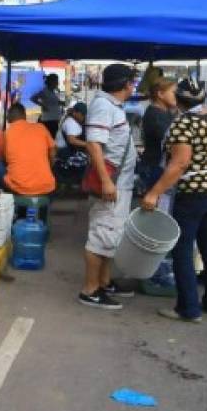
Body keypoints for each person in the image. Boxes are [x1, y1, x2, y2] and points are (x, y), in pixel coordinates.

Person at [141, 79, 207, 322]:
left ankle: (188, 309)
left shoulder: (183, 123)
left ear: (180, 101)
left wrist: (154, 192)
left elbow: (180, 163)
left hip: (192, 195)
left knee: (183, 250)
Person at [79, 64, 138, 310]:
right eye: (133, 82)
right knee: (101, 234)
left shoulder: (111, 106)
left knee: (110, 234)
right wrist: (105, 181)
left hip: (118, 182)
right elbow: (94, 145)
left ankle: (104, 282)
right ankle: (90, 290)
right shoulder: (104, 106)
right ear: (126, 85)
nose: (134, 86)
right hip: (111, 183)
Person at [137, 77, 178, 208]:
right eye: (173, 92)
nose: (177, 96)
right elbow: (172, 140)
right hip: (154, 167)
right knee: (156, 210)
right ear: (160, 94)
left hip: (156, 166)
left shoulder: (164, 112)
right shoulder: (155, 116)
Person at [2, 103, 56, 197]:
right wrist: (49, 166)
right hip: (46, 186)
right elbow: (53, 153)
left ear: (9, 118)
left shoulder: (6, 134)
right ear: (24, 116)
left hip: (19, 187)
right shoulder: (41, 128)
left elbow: (5, 159)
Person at [53, 101, 89, 183]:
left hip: (69, 151)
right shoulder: (70, 122)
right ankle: (76, 183)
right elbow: (71, 140)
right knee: (87, 161)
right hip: (63, 153)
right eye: (82, 114)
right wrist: (88, 145)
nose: (84, 117)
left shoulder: (76, 122)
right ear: (75, 112)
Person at [31, 73, 63, 138]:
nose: (57, 82)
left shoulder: (53, 91)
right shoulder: (44, 91)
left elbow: (54, 102)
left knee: (52, 138)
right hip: (48, 121)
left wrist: (61, 102)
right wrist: (42, 105)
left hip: (54, 120)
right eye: (56, 81)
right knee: (50, 139)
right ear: (51, 81)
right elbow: (33, 98)